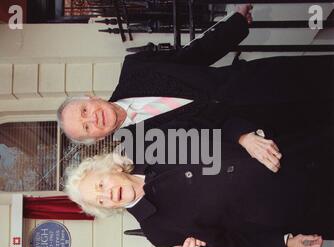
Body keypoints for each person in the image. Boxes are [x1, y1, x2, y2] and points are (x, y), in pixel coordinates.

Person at [57, 4, 334, 174]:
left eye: (84, 111)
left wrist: (235, 24)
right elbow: (205, 146)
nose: (92, 118)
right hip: (261, 130)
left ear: (91, 97)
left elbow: (192, 56)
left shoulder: (134, 68)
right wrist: (241, 137)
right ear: (95, 139)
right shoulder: (141, 149)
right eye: (87, 127)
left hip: (258, 80)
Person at [65, 125, 334, 247]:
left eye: (101, 186)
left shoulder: (150, 146)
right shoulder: (157, 231)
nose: (108, 196)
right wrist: (284, 243)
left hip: (296, 153)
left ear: (109, 167)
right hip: (300, 208)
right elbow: (231, 243)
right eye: (100, 201)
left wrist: (243, 136)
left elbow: (213, 123)